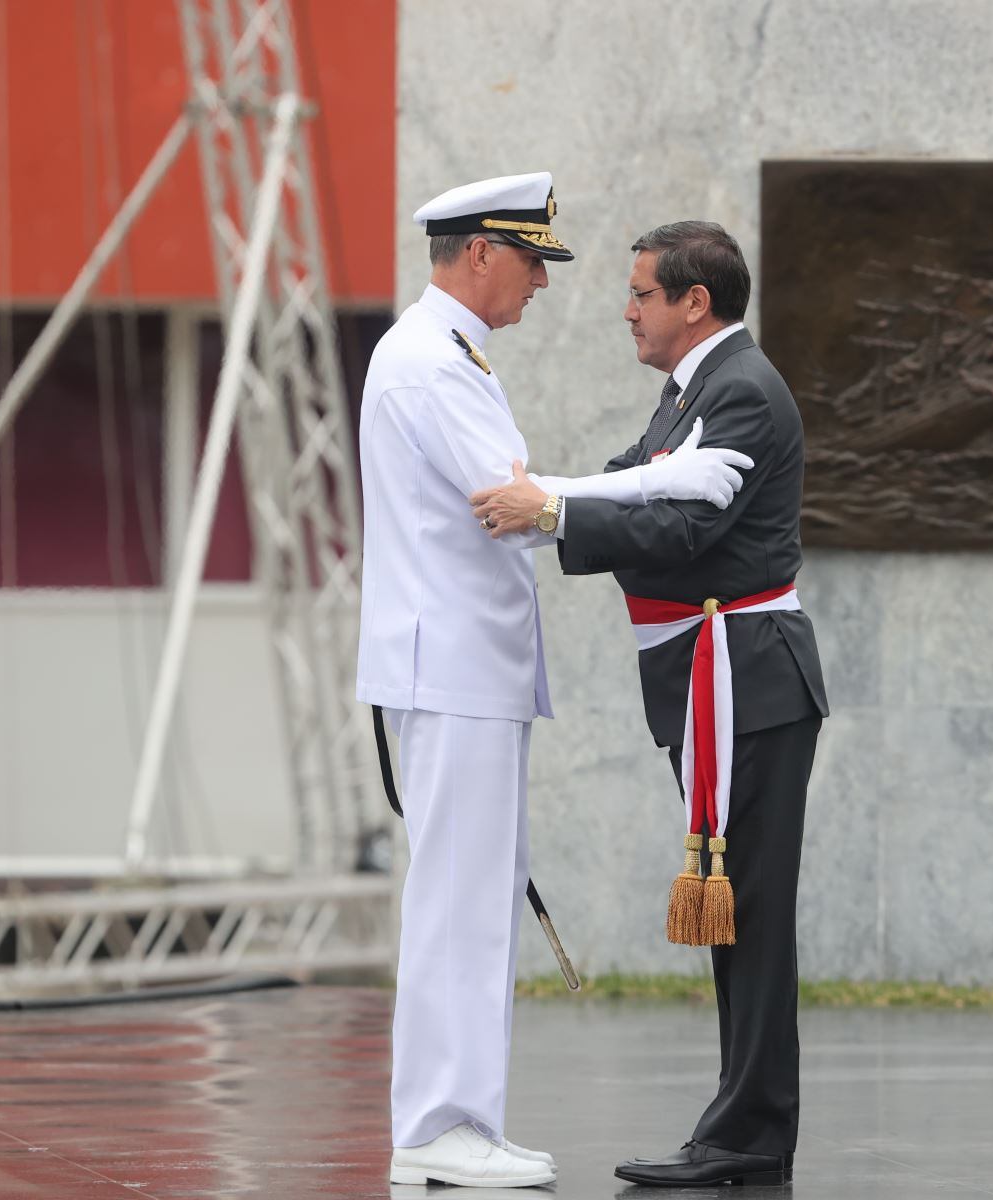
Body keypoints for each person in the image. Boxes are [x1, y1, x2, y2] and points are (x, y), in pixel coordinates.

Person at [356, 177, 752, 1190]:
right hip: (451, 669)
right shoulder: (430, 365)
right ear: (480, 253)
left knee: (477, 895)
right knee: (461, 900)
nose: (541, 280)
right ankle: (442, 1123)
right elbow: (517, 503)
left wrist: (649, 481)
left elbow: (527, 501)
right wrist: (670, 479)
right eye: (531, 260)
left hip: (464, 667)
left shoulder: (444, 355)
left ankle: (460, 1120)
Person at [471, 220, 827, 1188]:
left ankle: (748, 1131)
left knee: (751, 912)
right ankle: (739, 1124)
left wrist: (548, 510)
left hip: (748, 678)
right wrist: (550, 503)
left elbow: (678, 524)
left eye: (641, 294)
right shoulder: (693, 392)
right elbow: (634, 480)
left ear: (694, 303)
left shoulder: (741, 392)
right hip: (719, 682)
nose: (627, 311)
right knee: (738, 912)